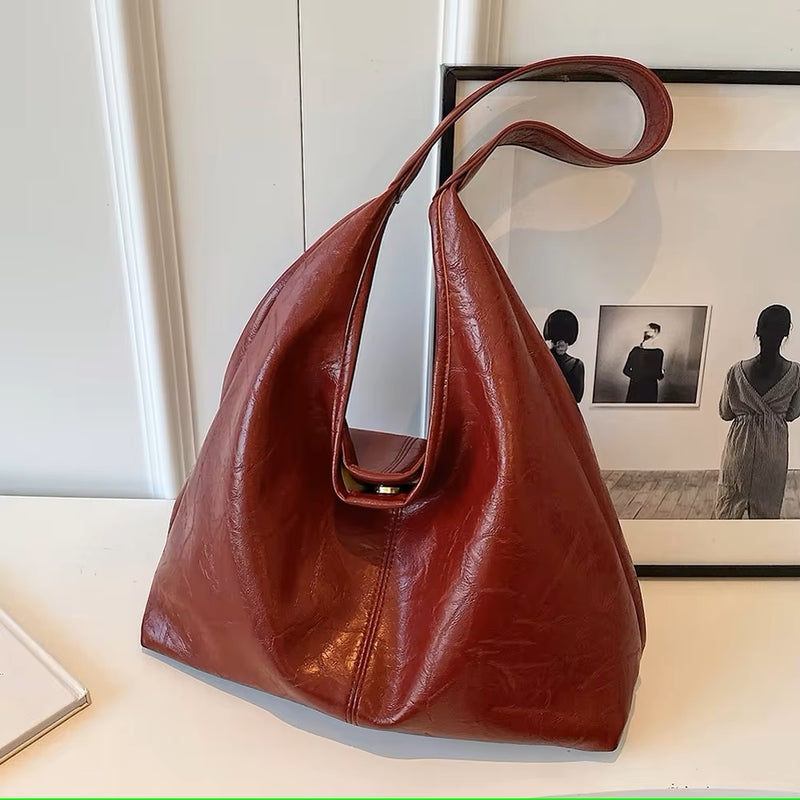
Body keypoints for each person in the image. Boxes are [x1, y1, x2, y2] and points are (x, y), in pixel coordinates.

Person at [714, 305, 800, 519]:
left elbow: (725, 412)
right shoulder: (796, 373)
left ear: (758, 330)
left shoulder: (736, 371)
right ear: (786, 332)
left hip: (739, 451)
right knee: (767, 516)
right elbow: (791, 414)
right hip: (773, 451)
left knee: (728, 512)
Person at [543, 309, 584, 402]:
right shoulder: (542, 360)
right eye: (557, 340)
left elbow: (577, 397)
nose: (561, 344)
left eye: (565, 340)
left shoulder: (576, 365)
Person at [623, 322, 665, 403]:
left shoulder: (635, 350)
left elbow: (626, 371)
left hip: (634, 388)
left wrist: (637, 376)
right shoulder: (658, 353)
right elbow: (658, 375)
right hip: (650, 390)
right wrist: (662, 372)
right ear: (657, 334)